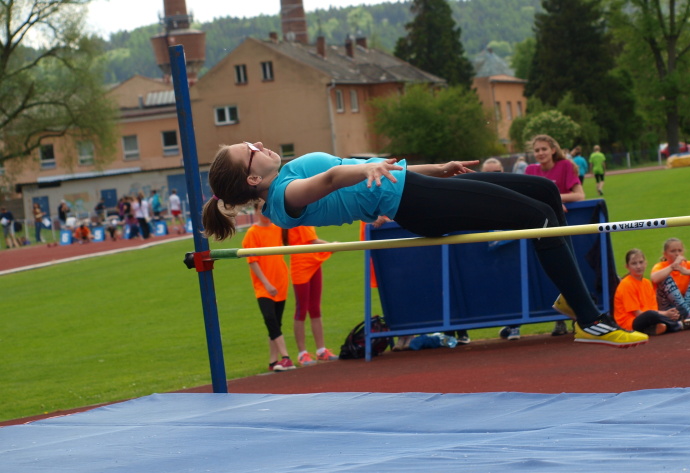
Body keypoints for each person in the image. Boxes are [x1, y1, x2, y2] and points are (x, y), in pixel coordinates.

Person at [202, 141, 649, 347]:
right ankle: (590, 321)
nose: (258, 143)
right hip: (416, 205)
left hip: (417, 189)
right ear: (252, 179)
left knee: (545, 193)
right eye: (250, 150)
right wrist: (369, 167)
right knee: (537, 218)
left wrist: (438, 168)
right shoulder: (283, 198)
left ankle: (572, 299)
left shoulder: (285, 172)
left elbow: (382, 172)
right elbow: (337, 176)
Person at [525, 134, 585, 337]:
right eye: (537, 150)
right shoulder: (530, 171)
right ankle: (559, 318)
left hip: (567, 228)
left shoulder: (565, 166)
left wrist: (555, 200)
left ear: (553, 149)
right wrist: (550, 204)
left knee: (570, 270)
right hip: (540, 230)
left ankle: (580, 318)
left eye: (544, 149)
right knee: (549, 272)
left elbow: (579, 195)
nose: (540, 153)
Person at [242, 211, 296, 371]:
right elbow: (252, 261)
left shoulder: (278, 228)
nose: (265, 212)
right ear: (256, 211)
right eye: (261, 208)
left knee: (276, 322)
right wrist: (266, 284)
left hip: (280, 281)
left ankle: (273, 361)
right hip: (264, 286)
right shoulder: (252, 233)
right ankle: (286, 357)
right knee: (270, 319)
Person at [614, 249, 690, 336]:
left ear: (645, 263)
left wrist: (668, 314)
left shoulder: (646, 283)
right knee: (651, 315)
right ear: (627, 267)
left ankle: (657, 327)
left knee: (677, 310)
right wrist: (665, 314)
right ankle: (678, 325)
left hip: (650, 317)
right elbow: (638, 314)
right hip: (630, 324)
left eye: (641, 262)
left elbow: (653, 309)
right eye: (634, 264)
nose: (638, 266)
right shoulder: (626, 284)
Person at [285, 225, 339, 365]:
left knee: (315, 308)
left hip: (314, 261)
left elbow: (312, 240)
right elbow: (313, 241)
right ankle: (302, 353)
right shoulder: (297, 217)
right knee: (301, 310)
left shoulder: (306, 216)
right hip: (300, 264)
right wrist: (332, 246)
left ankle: (321, 350)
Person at [650, 237, 690, 321]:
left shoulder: (687, 265)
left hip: (688, 305)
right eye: (673, 251)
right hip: (669, 309)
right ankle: (688, 314)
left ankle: (686, 313)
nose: (677, 254)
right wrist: (673, 266)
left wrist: (686, 271)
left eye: (679, 251)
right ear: (665, 254)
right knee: (665, 278)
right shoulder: (661, 266)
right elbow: (654, 278)